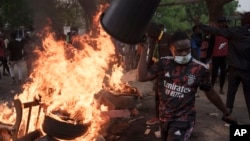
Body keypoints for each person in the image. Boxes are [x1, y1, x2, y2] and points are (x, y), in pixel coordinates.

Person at [137, 30, 236, 141]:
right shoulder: (163, 64)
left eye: (187, 49)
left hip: (184, 119)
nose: (184, 53)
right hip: (164, 118)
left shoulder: (199, 69)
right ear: (171, 49)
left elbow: (211, 94)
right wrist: (144, 50)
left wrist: (226, 112)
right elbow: (142, 77)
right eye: (179, 51)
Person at [201, 12, 250, 117]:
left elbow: (215, 31)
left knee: (231, 91)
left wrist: (200, 25)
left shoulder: (236, 31)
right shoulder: (235, 31)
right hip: (246, 69)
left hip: (234, 67)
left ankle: (228, 112)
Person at [208, 16, 229, 95]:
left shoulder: (228, 32)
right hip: (216, 55)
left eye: (223, 22)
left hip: (224, 56)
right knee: (214, 72)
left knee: (223, 73)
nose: (222, 24)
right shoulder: (215, 33)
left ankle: (221, 88)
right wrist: (208, 55)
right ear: (218, 23)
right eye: (220, 22)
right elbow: (211, 44)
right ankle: (212, 87)